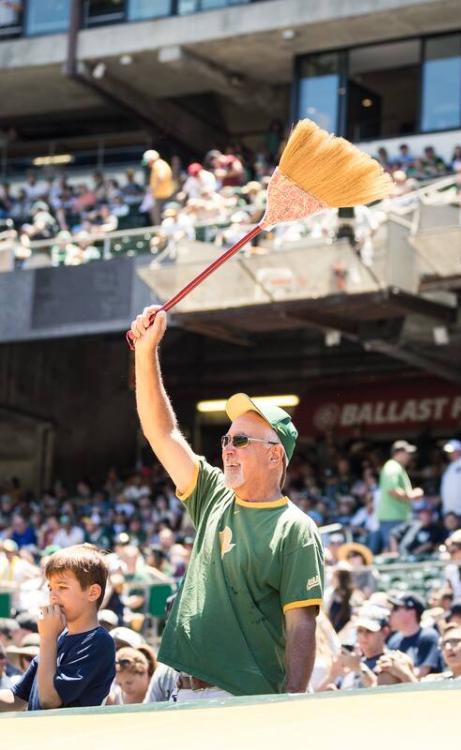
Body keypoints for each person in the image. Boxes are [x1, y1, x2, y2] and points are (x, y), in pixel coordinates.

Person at [129, 305, 324, 698]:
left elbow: (301, 625)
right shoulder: (214, 493)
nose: (228, 449)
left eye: (240, 441)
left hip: (241, 700)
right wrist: (145, 353)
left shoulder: (295, 528)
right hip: (182, 694)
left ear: (275, 455)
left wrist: (293, 702)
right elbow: (162, 432)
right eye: (226, 440)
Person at [0, 544, 115, 711]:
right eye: (50, 588)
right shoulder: (59, 637)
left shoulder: (98, 642)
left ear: (92, 592)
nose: (53, 595)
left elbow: (49, 700)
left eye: (62, 587)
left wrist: (47, 638)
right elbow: (18, 697)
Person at [377, 440, 423, 551]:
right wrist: (413, 495)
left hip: (397, 517)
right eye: (407, 453)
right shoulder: (392, 467)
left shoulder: (396, 467)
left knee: (396, 550)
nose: (409, 456)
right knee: (394, 552)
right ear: (399, 453)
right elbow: (392, 491)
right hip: (392, 518)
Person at [387, 592, 441, 678]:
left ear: (411, 612)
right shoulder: (394, 641)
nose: (390, 613)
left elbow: (422, 673)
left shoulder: (428, 636)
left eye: (396, 608)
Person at [142, 150, 174, 226]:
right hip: (164, 196)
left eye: (148, 161)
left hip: (162, 197)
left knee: (159, 221)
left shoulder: (158, 165)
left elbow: (161, 177)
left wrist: (153, 189)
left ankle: (162, 235)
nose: (148, 164)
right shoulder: (161, 164)